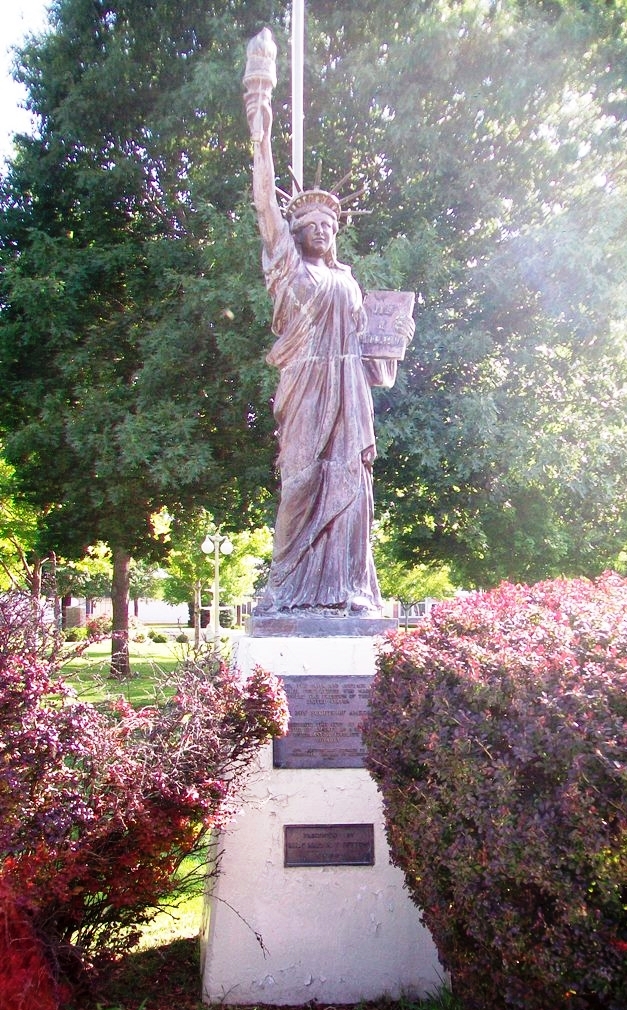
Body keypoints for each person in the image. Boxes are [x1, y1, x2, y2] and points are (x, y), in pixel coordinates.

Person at [244, 44, 412, 617]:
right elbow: (265, 199)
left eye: (326, 226)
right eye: (308, 225)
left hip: (349, 393)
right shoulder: (287, 269)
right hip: (305, 390)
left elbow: (369, 351)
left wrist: (387, 350)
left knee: (351, 487)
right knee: (298, 482)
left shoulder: (347, 279)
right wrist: (258, 111)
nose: (319, 232)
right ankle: (285, 586)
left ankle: (347, 589)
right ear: (295, 234)